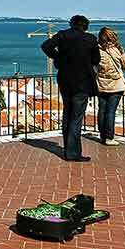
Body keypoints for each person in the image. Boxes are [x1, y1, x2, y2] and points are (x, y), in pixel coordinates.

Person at [41, 15, 100, 161]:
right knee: (76, 117)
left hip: (65, 79)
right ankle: (73, 153)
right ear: (85, 26)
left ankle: (69, 149)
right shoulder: (90, 39)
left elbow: (45, 46)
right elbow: (96, 59)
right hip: (83, 81)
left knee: (67, 112)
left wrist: (58, 58)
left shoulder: (63, 35)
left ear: (72, 24)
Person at [95, 27, 125, 145]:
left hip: (101, 83)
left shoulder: (96, 50)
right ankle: (109, 137)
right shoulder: (117, 50)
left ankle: (102, 135)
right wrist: (123, 53)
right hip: (116, 85)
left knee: (102, 110)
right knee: (111, 112)